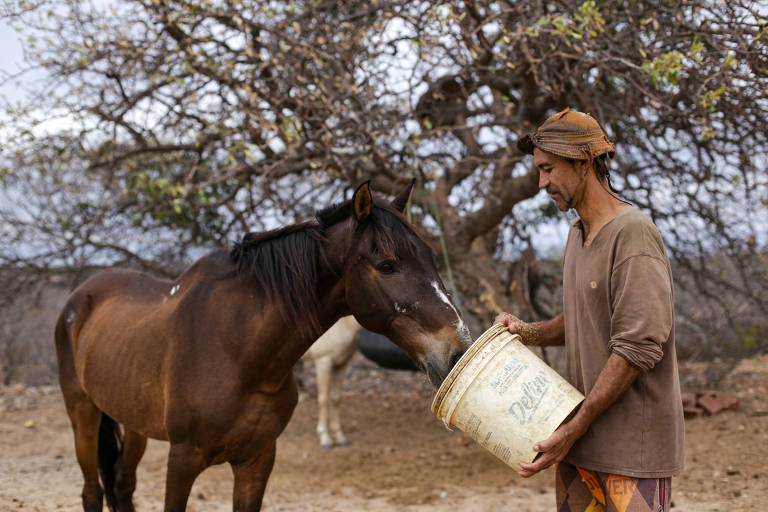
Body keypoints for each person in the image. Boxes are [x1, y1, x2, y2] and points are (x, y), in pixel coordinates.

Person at [495, 108, 684, 512]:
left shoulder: (632, 233)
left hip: (632, 453)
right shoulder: (577, 234)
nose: (542, 183)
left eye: (548, 169)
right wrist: (525, 333)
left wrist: (574, 426)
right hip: (580, 448)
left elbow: (637, 347)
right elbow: (584, 319)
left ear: (583, 163)